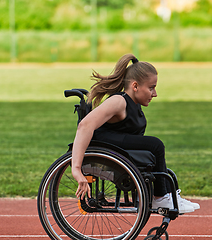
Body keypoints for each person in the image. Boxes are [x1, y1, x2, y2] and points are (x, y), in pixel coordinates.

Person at [71, 53, 199, 213]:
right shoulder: (119, 101)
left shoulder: (134, 104)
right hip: (102, 144)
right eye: (151, 88)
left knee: (152, 148)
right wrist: (76, 168)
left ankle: (165, 196)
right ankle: (161, 198)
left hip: (116, 144)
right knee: (155, 145)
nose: (155, 94)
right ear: (135, 86)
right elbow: (84, 125)